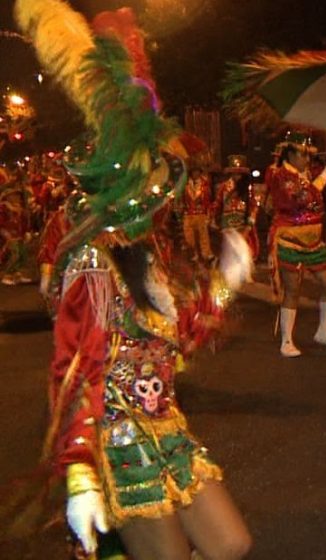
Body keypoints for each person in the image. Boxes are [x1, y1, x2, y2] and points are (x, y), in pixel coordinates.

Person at [17, 4, 253, 557]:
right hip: (117, 442)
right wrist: (79, 476)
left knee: (231, 544)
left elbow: (177, 344)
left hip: (169, 429)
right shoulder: (94, 266)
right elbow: (73, 374)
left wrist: (227, 280)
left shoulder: (149, 253)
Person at [267, 132, 326, 357]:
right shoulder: (280, 175)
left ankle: (324, 331)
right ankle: (287, 340)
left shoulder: (305, 173)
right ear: (289, 154)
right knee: (292, 289)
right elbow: (300, 199)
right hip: (290, 239)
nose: (307, 159)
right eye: (303, 154)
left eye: (309, 154)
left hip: (314, 240)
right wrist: (323, 177)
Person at [216, 155, 259, 258]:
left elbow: (253, 206)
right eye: (234, 173)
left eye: (239, 173)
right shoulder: (224, 187)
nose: (237, 176)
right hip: (227, 226)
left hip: (243, 226)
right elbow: (218, 204)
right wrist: (215, 219)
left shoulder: (248, 189)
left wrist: (249, 225)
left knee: (243, 255)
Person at [180, 167, 215, 262]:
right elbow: (181, 197)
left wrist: (208, 213)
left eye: (197, 171)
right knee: (189, 235)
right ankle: (193, 254)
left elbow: (208, 199)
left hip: (201, 213)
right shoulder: (185, 184)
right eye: (194, 171)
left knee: (204, 234)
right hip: (188, 213)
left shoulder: (205, 184)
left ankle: (206, 254)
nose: (196, 174)